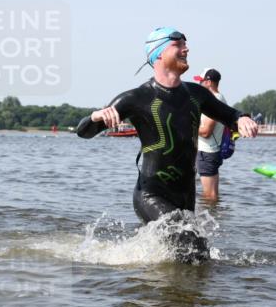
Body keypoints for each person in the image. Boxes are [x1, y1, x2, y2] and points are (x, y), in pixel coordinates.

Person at [76, 27, 258, 262]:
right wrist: (94, 117)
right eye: (179, 44)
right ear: (159, 53)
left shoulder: (196, 94)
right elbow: (84, 132)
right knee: (194, 247)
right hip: (151, 194)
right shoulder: (136, 98)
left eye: (186, 44)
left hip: (185, 195)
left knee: (189, 256)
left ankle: (153, 281)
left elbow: (229, 114)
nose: (186, 48)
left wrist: (241, 117)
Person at [194, 68, 228, 201]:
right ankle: (215, 216)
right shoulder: (219, 98)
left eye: (201, 81)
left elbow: (206, 132)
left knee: (209, 195)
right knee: (213, 194)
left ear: (208, 82)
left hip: (207, 152)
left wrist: (186, 124)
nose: (199, 84)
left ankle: (209, 218)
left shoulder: (215, 100)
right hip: (212, 152)